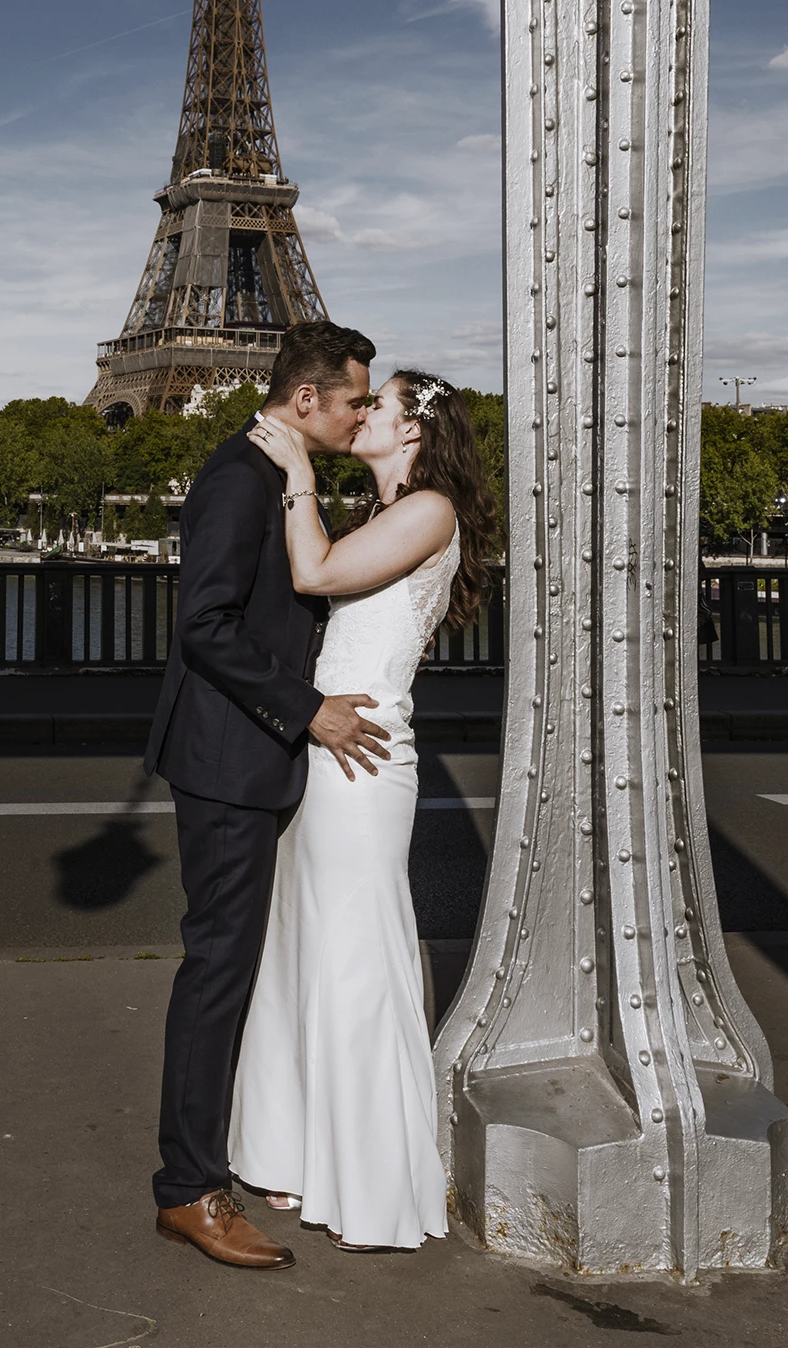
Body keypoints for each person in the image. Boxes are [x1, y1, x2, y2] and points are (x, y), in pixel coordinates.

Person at [229, 369, 495, 1251]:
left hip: (363, 759)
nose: (361, 410)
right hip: (327, 745)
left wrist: (297, 473)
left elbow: (314, 573)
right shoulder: (387, 512)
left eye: (377, 402)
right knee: (305, 947)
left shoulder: (432, 510)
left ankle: (372, 1190)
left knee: (351, 959)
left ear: (415, 427)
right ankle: (301, 1157)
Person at [148, 320, 389, 1271]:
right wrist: (309, 709)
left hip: (249, 756)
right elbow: (203, 623)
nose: (362, 411)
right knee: (217, 974)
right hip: (227, 763)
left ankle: (213, 1166)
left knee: (234, 970)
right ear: (307, 401)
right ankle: (188, 1192)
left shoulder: (274, 470)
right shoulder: (240, 476)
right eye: (355, 399)